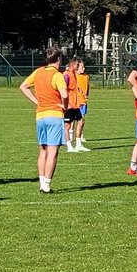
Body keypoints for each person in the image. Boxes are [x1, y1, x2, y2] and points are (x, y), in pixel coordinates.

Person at [19, 48, 68, 193]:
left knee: (43, 150)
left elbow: (23, 86)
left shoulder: (38, 72)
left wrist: (37, 101)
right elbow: (64, 94)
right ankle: (46, 185)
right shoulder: (57, 75)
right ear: (59, 59)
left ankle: (42, 182)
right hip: (54, 115)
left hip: (40, 116)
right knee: (53, 151)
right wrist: (64, 106)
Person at [64, 57, 85, 152]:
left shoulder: (74, 74)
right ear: (73, 64)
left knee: (81, 122)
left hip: (75, 104)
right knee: (67, 126)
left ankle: (78, 144)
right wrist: (65, 104)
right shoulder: (66, 75)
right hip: (69, 105)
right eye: (77, 65)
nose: (78, 67)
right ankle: (69, 146)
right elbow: (63, 89)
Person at [75, 60, 91, 150]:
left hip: (84, 101)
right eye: (82, 67)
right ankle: (72, 136)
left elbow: (87, 87)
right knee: (77, 121)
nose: (83, 69)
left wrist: (86, 95)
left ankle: (80, 136)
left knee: (82, 120)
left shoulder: (86, 77)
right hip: (77, 102)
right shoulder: (74, 76)